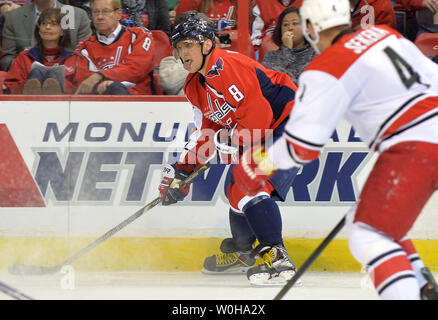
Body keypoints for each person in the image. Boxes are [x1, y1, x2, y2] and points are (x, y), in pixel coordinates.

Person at [234, 0, 438, 299]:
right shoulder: (386, 34)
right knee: (372, 218)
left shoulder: (327, 66)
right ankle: (422, 284)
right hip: (424, 135)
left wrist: (260, 163)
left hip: (415, 144)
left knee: (369, 234)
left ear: (310, 29)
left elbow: (301, 147)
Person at [158, 13, 301, 286]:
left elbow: (258, 116)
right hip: (270, 127)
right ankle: (244, 251)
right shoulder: (195, 86)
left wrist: (235, 139)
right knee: (234, 187)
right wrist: (182, 171)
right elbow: (207, 132)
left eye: (189, 44)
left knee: (246, 182)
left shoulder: (225, 67)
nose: (183, 52)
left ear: (207, 45)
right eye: (179, 46)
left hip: (289, 121)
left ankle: (277, 256)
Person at [74, 0, 155, 95]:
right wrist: (105, 84)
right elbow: (85, 81)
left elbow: (137, 67)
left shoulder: (140, 35)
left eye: (106, 11)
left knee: (116, 88)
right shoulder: (84, 47)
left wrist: (101, 76)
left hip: (139, 101)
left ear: (118, 14)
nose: (99, 17)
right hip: (100, 101)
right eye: (95, 12)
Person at [4, 7, 82, 94]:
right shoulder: (24, 57)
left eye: (53, 24)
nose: (47, 27)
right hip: (27, 105)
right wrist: (26, 85)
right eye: (44, 23)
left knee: (52, 77)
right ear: (39, 31)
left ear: (62, 32)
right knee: (35, 74)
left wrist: (61, 84)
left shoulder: (74, 59)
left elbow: (81, 88)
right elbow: (10, 86)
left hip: (64, 105)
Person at [0, 0, 92, 71]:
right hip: (25, 80)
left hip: (69, 79)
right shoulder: (14, 17)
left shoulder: (78, 16)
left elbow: (85, 57)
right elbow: (7, 59)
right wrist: (28, 68)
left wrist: (59, 70)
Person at [262, 6, 316, 85]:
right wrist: (287, 49)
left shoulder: (316, 54)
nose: (290, 28)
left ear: (306, 28)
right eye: (285, 24)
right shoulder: (270, 57)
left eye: (295, 23)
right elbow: (277, 84)